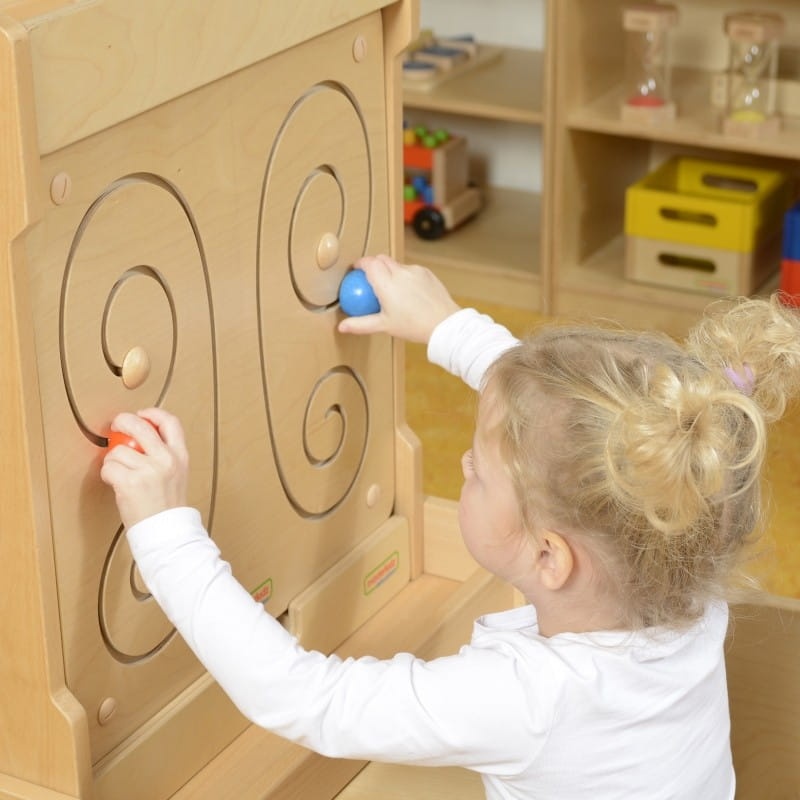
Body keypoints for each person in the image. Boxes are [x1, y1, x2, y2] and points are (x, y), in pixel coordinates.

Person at [101, 254, 800, 799]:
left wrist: (165, 530)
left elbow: (303, 698)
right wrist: (448, 326)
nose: (463, 461)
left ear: (550, 557)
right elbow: (581, 430)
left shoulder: (527, 701)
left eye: (479, 474)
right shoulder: (682, 560)